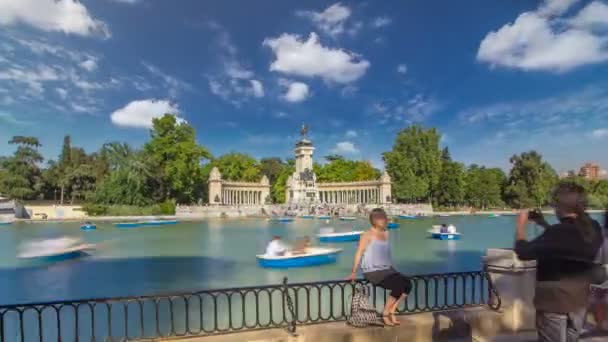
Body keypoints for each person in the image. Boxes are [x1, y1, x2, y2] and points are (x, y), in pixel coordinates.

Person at [514, 183, 603, 342]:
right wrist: (543, 224)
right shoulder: (594, 228)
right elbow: (565, 242)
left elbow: (523, 251)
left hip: (554, 303)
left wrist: (521, 225)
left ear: (559, 206)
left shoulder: (558, 232)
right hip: (579, 301)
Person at [347, 208, 412, 326]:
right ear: (376, 220)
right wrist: (353, 272)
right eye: (384, 218)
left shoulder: (386, 233)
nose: (387, 220)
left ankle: (393, 309)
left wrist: (393, 270)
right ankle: (385, 313)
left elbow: (386, 255)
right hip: (372, 271)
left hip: (386, 270)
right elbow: (359, 253)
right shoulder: (366, 235)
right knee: (398, 285)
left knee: (408, 284)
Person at [589, 212, 608, 331]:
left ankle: (600, 324)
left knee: (597, 297)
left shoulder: (600, 233)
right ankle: (601, 324)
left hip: (599, 267)